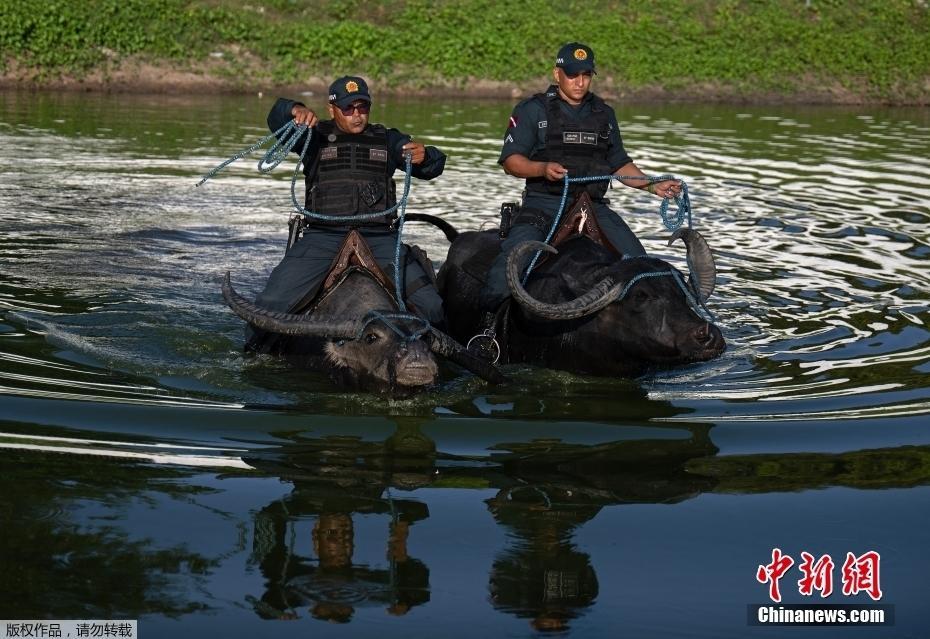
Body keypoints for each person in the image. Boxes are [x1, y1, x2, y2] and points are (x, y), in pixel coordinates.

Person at [479, 42, 683, 314]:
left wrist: (652, 186)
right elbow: (511, 161)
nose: (580, 82)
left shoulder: (604, 114)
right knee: (511, 264)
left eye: (586, 75)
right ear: (557, 74)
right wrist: (542, 169)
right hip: (544, 204)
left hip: (593, 206)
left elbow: (618, 163)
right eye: (573, 75)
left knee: (639, 263)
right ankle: (486, 328)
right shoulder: (532, 110)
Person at [247, 76, 447, 351]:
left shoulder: (388, 139)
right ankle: (254, 355)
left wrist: (426, 156)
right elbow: (276, 120)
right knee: (271, 305)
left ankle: (441, 356)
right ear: (332, 109)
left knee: (432, 307)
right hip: (323, 238)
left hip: (379, 238)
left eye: (362, 107)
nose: (356, 115)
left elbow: (433, 166)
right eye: (348, 108)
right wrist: (294, 109)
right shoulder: (312, 137)